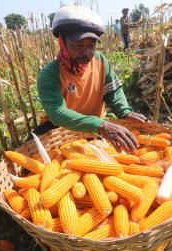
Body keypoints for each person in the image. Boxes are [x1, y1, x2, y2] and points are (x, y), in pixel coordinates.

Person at [35, 5, 147, 153]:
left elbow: (113, 91)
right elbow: (57, 113)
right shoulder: (50, 74)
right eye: (78, 46)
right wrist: (101, 125)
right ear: (62, 43)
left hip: (96, 127)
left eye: (91, 45)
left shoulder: (100, 61)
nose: (87, 53)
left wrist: (125, 112)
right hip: (62, 129)